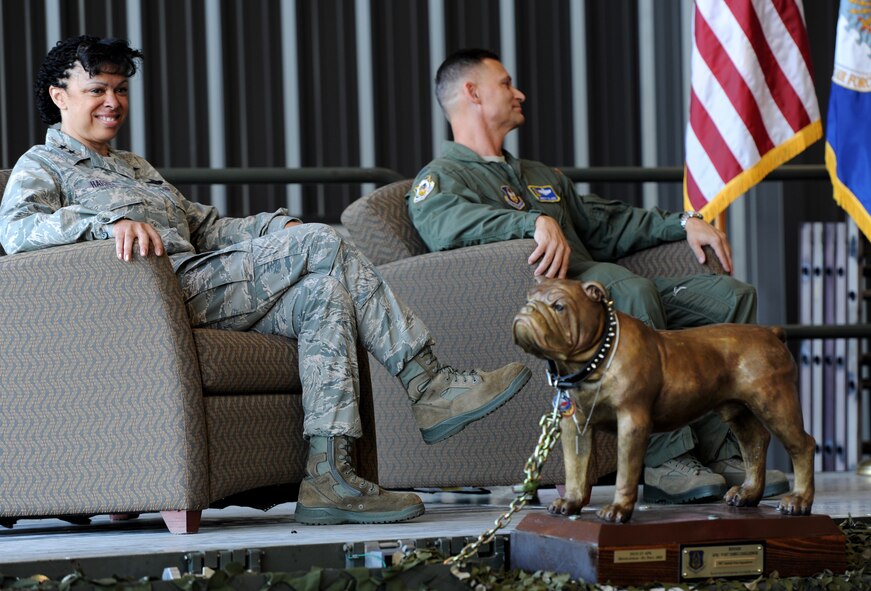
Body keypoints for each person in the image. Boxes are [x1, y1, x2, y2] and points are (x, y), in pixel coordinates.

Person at [0, 36, 532, 526]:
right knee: (322, 246)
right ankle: (428, 381)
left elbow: (207, 227)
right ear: (59, 96)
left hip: (201, 282)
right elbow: (16, 229)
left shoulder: (135, 167)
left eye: (119, 89)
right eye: (97, 90)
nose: (112, 101)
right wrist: (105, 223)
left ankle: (331, 476)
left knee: (322, 292)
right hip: (150, 301)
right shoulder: (43, 164)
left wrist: (277, 227)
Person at [407, 48, 789, 504]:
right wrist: (530, 223)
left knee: (729, 298)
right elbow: (447, 229)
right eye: (506, 83)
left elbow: (607, 223)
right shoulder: (440, 179)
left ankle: (722, 451)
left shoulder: (537, 175)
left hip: (610, 291)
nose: (519, 93)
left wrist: (683, 222)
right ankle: (665, 460)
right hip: (566, 311)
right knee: (628, 287)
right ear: (471, 92)